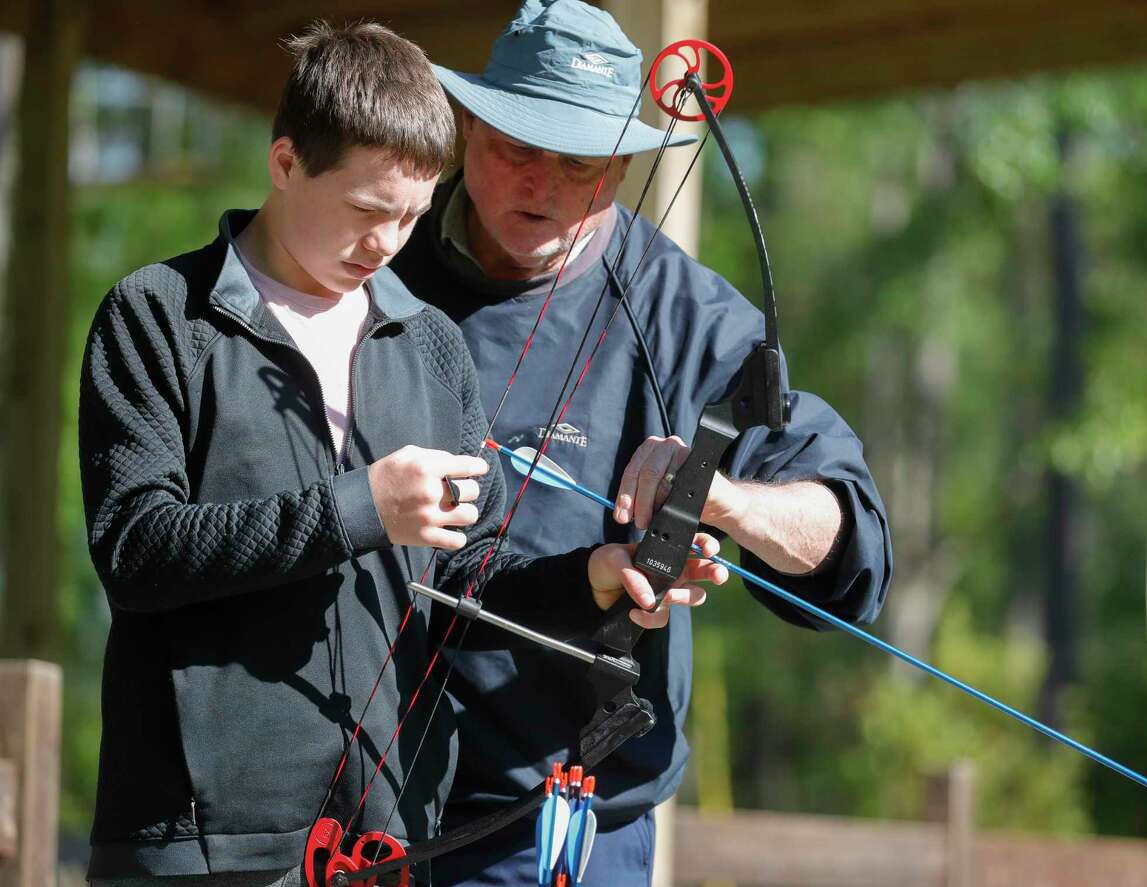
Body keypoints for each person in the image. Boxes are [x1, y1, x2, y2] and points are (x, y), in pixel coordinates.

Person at [79, 20, 724, 887]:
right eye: (367, 210)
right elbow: (135, 547)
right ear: (285, 163)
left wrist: (592, 579)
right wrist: (360, 508)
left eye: (413, 216)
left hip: (386, 847)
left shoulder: (429, 343)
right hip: (199, 847)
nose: (388, 242)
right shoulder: (157, 315)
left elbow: (463, 586)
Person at [388, 1, 894, 884]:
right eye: (514, 147)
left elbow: (850, 545)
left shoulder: (684, 315)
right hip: (353, 804)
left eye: (577, 162)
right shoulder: (373, 255)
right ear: (467, 127)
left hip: (554, 825)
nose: (537, 184)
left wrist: (726, 497)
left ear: (622, 167)